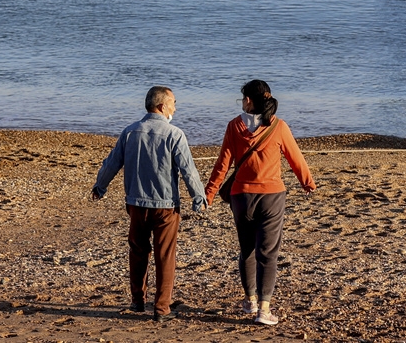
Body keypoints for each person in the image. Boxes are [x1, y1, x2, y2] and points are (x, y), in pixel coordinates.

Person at [206, 80, 316, 327]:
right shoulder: (278, 126)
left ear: (248, 101)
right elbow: (295, 158)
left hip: (241, 197)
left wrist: (210, 194)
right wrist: (307, 183)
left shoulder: (234, 126)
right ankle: (264, 310)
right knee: (268, 253)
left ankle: (250, 301)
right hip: (272, 197)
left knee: (247, 250)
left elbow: (222, 165)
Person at [92, 86, 207, 322]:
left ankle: (137, 301)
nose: (175, 107)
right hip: (165, 205)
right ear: (162, 106)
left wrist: (100, 186)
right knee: (165, 255)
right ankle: (162, 308)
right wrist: (199, 197)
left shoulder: (130, 132)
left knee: (138, 252)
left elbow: (112, 163)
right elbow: (188, 169)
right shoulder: (174, 134)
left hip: (136, 204)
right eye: (173, 102)